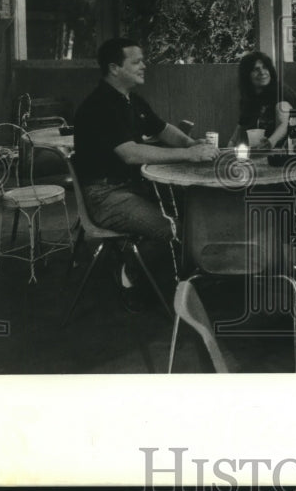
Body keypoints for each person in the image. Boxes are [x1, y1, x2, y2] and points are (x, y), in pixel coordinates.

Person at [73, 37, 219, 309]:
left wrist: (190, 143)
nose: (144, 66)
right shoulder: (100, 106)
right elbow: (131, 153)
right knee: (173, 228)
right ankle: (129, 273)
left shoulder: (131, 100)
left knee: (194, 208)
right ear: (114, 68)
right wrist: (189, 155)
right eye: (137, 61)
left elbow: (163, 129)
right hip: (105, 195)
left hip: (132, 187)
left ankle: (186, 274)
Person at [228, 51, 296, 150]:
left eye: (265, 67)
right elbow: (241, 127)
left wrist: (270, 142)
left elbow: (284, 123)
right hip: (259, 153)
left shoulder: (281, 91)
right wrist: (229, 148)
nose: (262, 72)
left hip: (285, 152)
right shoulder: (249, 99)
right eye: (256, 69)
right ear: (247, 75)